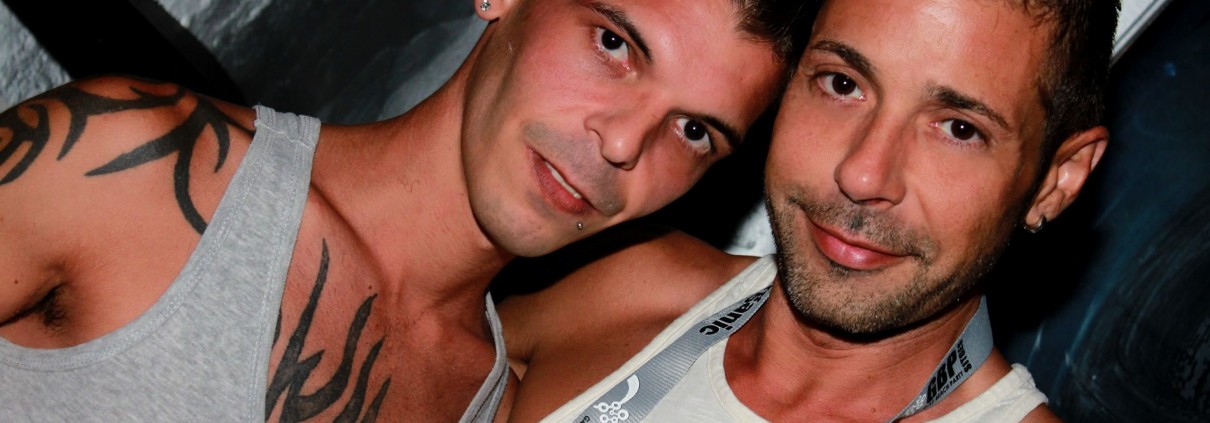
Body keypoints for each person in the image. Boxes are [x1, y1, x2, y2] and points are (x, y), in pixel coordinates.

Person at [0, 0, 810, 421]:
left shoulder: (492, 405)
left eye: (694, 131)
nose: (625, 142)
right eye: (614, 44)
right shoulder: (129, 163)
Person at [498, 0, 1120, 421]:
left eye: (958, 128)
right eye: (842, 84)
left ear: (1055, 182)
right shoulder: (614, 292)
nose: (862, 174)